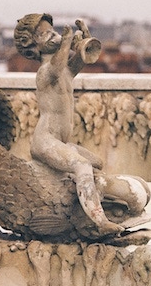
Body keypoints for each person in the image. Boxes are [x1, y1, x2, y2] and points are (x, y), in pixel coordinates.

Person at [14, 13, 124, 236]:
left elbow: (84, 58)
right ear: (31, 45)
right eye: (44, 33)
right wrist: (66, 41)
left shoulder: (65, 70)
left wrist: (84, 38)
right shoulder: (45, 72)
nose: (52, 35)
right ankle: (99, 221)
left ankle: (89, 210)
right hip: (46, 141)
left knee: (96, 163)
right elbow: (55, 68)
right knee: (81, 165)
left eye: (52, 30)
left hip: (61, 141)